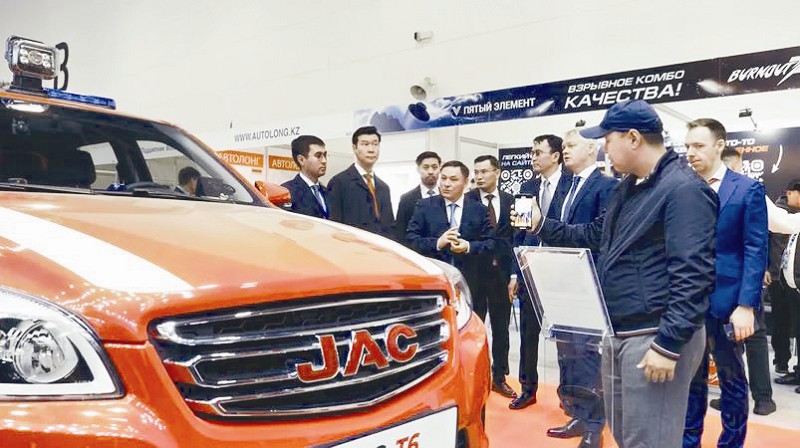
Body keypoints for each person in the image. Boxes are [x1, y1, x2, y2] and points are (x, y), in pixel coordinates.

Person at [523, 100, 715, 448]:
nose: (604, 148)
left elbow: (694, 276)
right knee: (627, 436)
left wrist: (668, 344)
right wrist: (541, 226)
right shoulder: (629, 187)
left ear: (633, 138)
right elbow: (594, 235)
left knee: (650, 440)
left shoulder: (683, 190)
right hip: (620, 330)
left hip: (653, 335)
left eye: (607, 139)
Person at [682, 118, 768, 448]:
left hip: (729, 302)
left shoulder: (746, 189)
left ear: (719, 145)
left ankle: (731, 443)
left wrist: (746, 305)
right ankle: (688, 441)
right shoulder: (682, 187)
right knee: (691, 379)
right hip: (688, 302)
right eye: (688, 146)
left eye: (698, 145)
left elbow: (755, 249)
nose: (691, 152)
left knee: (731, 379)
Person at [546, 129, 616, 448]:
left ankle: (594, 426)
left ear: (592, 149)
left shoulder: (607, 186)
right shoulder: (565, 185)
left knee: (588, 356)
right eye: (563, 146)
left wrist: (547, 227)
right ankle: (576, 414)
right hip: (562, 281)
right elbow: (557, 230)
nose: (565, 150)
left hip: (590, 281)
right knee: (567, 354)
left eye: (571, 145)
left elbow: (597, 234)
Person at [706, 146, 777, 416]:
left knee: (754, 336)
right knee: (723, 344)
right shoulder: (702, 190)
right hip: (718, 286)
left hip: (748, 281)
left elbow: (761, 239)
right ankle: (733, 395)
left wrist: (760, 275)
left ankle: (762, 397)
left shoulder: (749, 190)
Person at [508, 134, 573, 410]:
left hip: (562, 273)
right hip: (530, 271)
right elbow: (520, 232)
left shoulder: (572, 184)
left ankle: (569, 394)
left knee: (566, 339)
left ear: (555, 156)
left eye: (538, 152)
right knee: (527, 334)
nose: (532, 157)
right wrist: (515, 273)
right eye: (532, 152)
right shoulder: (528, 187)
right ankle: (527, 388)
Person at [406, 160, 494, 309]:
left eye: (453, 179)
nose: (446, 184)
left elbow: (491, 244)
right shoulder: (424, 206)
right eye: (443, 178)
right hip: (434, 284)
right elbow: (410, 240)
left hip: (471, 285)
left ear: (466, 182)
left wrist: (468, 246)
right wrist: (437, 243)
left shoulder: (479, 210)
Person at [465, 155, 516, 398]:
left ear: (497, 172)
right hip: (475, 274)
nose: (479, 176)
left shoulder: (511, 201)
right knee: (473, 329)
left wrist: (515, 274)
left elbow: (517, 238)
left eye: (484, 171)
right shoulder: (467, 200)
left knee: (501, 329)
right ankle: (474, 376)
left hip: (502, 276)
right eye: (476, 172)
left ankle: (499, 377)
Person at [328, 126, 395, 238]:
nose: (371, 149)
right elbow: (334, 225)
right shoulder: (340, 182)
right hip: (352, 246)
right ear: (355, 148)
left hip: (380, 246)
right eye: (365, 144)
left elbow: (389, 226)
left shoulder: (384, 187)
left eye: (375, 144)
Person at [773, 179, 800, 389]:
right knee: (785, 323)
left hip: (795, 279)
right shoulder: (778, 213)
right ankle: (787, 365)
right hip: (784, 278)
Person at [396, 151, 441, 241]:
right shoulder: (406, 199)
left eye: (434, 167)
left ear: (440, 168)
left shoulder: (447, 196)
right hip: (415, 247)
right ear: (418, 169)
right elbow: (400, 231)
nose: (430, 171)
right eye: (426, 167)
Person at [281, 135, 329, 219]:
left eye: (325, 155)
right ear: (301, 160)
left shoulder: (329, 192)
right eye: (318, 156)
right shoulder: (286, 193)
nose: (324, 161)